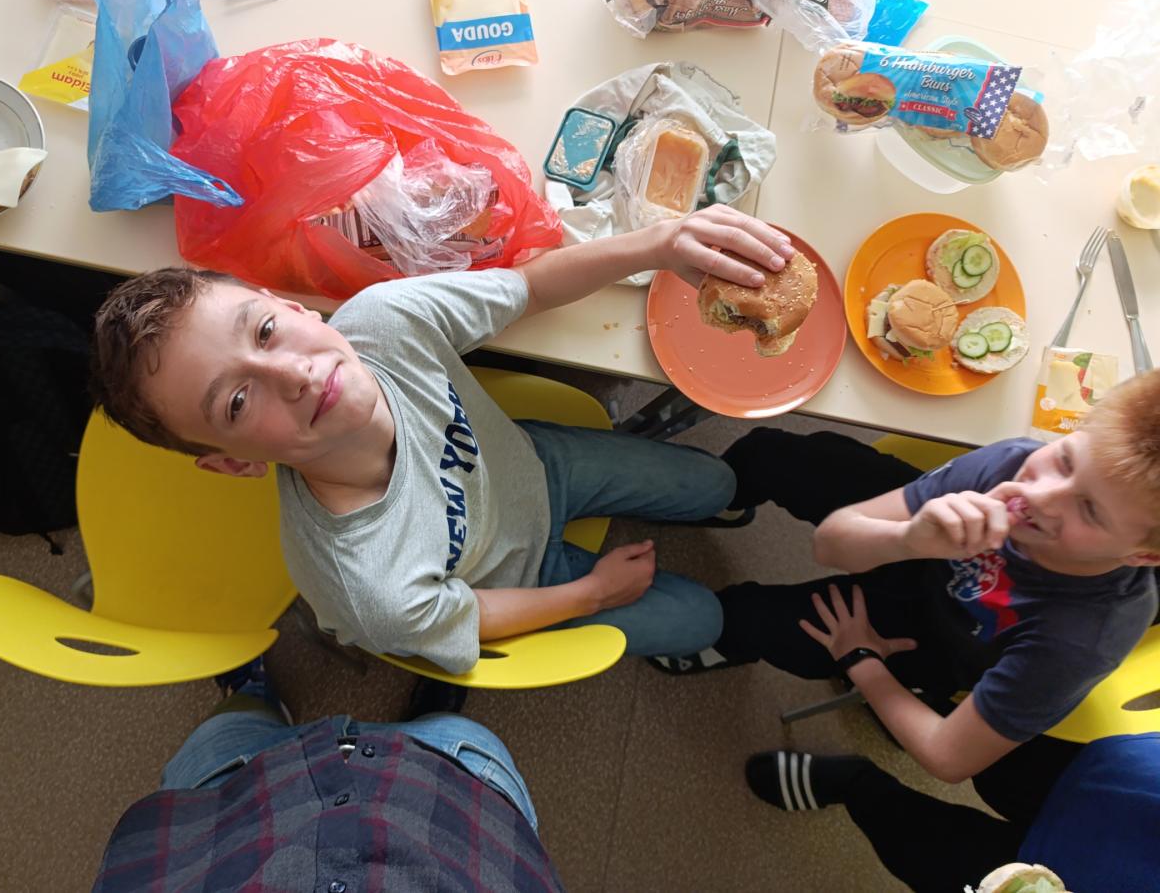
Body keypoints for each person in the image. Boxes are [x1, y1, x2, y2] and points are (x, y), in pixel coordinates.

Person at [89, 206, 793, 674]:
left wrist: (661, 242)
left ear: (291, 307)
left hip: (536, 467)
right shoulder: (364, 582)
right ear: (234, 462)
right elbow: (466, 615)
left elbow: (530, 287)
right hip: (515, 578)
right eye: (239, 401)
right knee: (702, 618)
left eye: (267, 331)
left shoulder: (384, 323)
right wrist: (591, 594)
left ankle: (719, 504)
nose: (294, 375)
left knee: (715, 483)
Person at [652, 371, 1160, 782]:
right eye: (1065, 459)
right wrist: (910, 540)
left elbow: (948, 758)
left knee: (750, 619)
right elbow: (831, 544)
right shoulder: (1012, 463)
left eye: (1090, 511)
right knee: (774, 454)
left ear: (1143, 556)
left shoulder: (1079, 638)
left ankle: (725, 639)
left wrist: (862, 662)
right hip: (926, 541)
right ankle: (722, 501)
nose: (1037, 496)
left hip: (933, 639)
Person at [92, 659, 565, 892]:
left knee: (231, 724)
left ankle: (250, 691)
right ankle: (429, 711)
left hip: (227, 801)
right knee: (447, 729)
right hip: (451, 786)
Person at [743, 732, 1160, 893]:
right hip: (1121, 785)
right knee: (998, 770)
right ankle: (909, 724)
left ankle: (858, 786)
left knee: (931, 851)